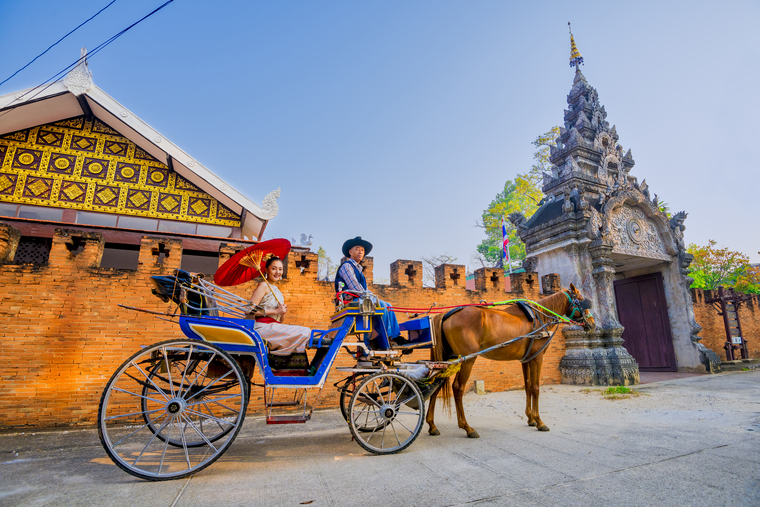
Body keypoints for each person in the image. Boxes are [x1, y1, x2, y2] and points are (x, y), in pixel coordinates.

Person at [334, 237, 402, 345]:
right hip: (350, 300)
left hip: (360, 298)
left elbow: (364, 290)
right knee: (382, 305)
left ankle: (395, 336)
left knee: (388, 306)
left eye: (362, 250)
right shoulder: (347, 266)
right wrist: (372, 298)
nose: (360, 251)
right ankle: (384, 338)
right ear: (350, 252)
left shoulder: (359, 269)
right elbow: (355, 287)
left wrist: (372, 296)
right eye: (357, 248)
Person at [249, 257, 311, 356]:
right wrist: (275, 311)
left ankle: (284, 366)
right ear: (266, 270)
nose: (277, 272)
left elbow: (280, 320)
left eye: (280, 269)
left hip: (274, 326)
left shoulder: (278, 292)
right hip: (262, 327)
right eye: (274, 268)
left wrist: (282, 313)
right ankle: (281, 361)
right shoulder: (263, 286)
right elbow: (249, 310)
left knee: (302, 334)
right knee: (305, 332)